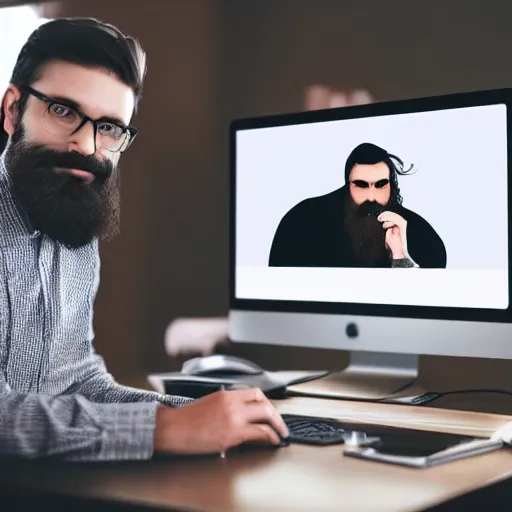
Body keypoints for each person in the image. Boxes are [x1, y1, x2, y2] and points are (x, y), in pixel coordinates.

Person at [0, 17, 288, 461]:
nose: (86, 146)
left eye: (110, 128)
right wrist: (162, 428)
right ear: (12, 109)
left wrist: (205, 413)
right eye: (63, 111)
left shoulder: (69, 214)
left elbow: (76, 382)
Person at [269, 142, 447, 268]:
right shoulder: (303, 221)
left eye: (380, 185)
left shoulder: (421, 234)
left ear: (391, 185)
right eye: (361, 185)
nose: (371, 197)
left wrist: (400, 256)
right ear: (348, 185)